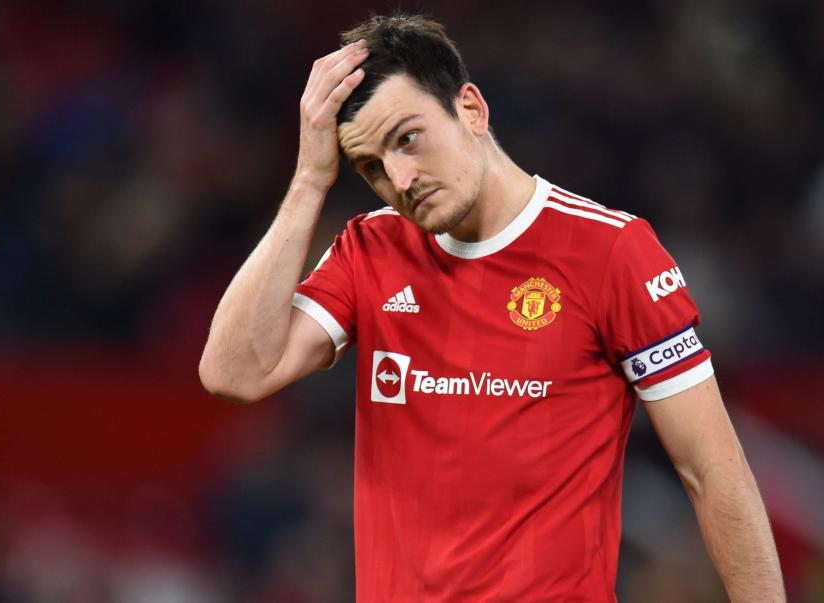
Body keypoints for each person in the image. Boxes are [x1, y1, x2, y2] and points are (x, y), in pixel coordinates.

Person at [199, 13, 785, 602]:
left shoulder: (610, 252)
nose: (400, 179)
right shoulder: (370, 250)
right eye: (372, 167)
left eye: (408, 138)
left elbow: (713, 471)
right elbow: (233, 373)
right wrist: (307, 182)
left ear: (472, 110)